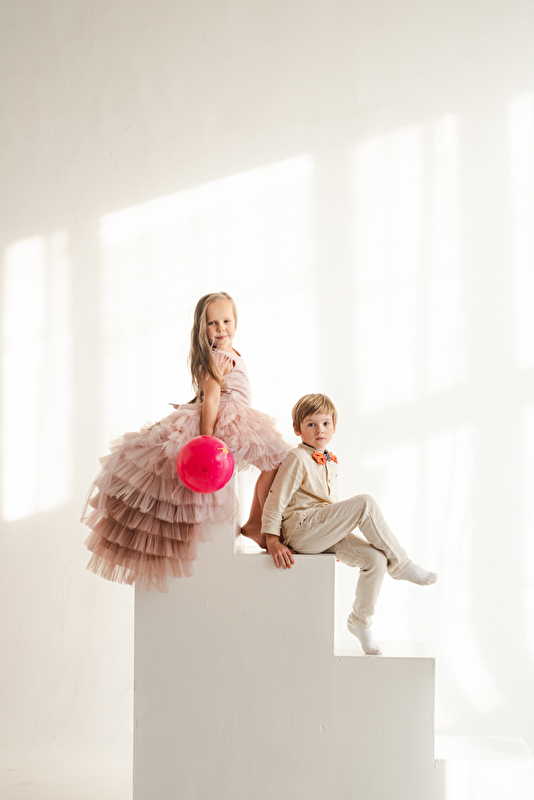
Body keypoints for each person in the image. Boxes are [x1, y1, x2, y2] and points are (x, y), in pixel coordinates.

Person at [82, 292, 293, 592]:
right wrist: (207, 439)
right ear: (202, 328)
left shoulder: (231, 352)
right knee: (276, 459)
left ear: (236, 321)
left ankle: (254, 522)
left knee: (277, 461)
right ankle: (256, 523)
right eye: (212, 323)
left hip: (237, 416)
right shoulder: (219, 358)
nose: (221, 328)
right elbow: (212, 399)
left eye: (226, 321)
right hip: (226, 419)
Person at [260, 393, 437, 655]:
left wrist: (332, 536)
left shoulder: (331, 461)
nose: (319, 430)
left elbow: (329, 506)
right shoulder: (297, 458)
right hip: (301, 529)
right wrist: (272, 540)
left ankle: (360, 622)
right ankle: (401, 565)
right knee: (365, 503)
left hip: (321, 529)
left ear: (334, 427)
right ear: (297, 429)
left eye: (326, 424)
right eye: (311, 424)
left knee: (375, 560)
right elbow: (276, 499)